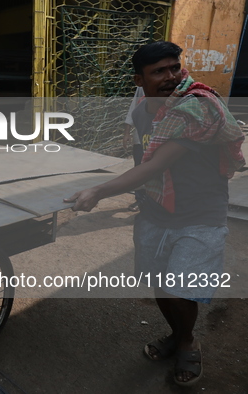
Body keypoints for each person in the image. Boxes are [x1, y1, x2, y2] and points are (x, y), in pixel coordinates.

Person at [64, 41, 245, 386]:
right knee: (159, 284)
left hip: (201, 214)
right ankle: (177, 335)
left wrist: (100, 191)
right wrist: (136, 192)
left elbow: (156, 164)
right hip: (157, 210)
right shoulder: (143, 109)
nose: (171, 76)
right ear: (138, 80)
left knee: (179, 289)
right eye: (158, 71)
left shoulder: (195, 107)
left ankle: (188, 341)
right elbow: (142, 154)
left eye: (174, 67)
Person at [122, 86, 145, 212]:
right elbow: (133, 108)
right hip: (140, 138)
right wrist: (127, 133)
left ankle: (154, 200)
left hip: (160, 137)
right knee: (139, 169)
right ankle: (140, 199)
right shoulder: (141, 88)